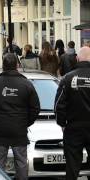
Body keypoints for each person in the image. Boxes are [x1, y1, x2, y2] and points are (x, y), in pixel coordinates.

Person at [0, 53, 40, 180]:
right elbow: (35, 109)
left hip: (0, 130)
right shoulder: (27, 84)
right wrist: (24, 122)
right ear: (17, 66)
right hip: (19, 130)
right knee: (21, 162)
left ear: (3, 66)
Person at [55, 46, 90, 180]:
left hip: (73, 127)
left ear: (77, 58)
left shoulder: (67, 78)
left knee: (72, 166)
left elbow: (59, 104)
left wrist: (62, 123)